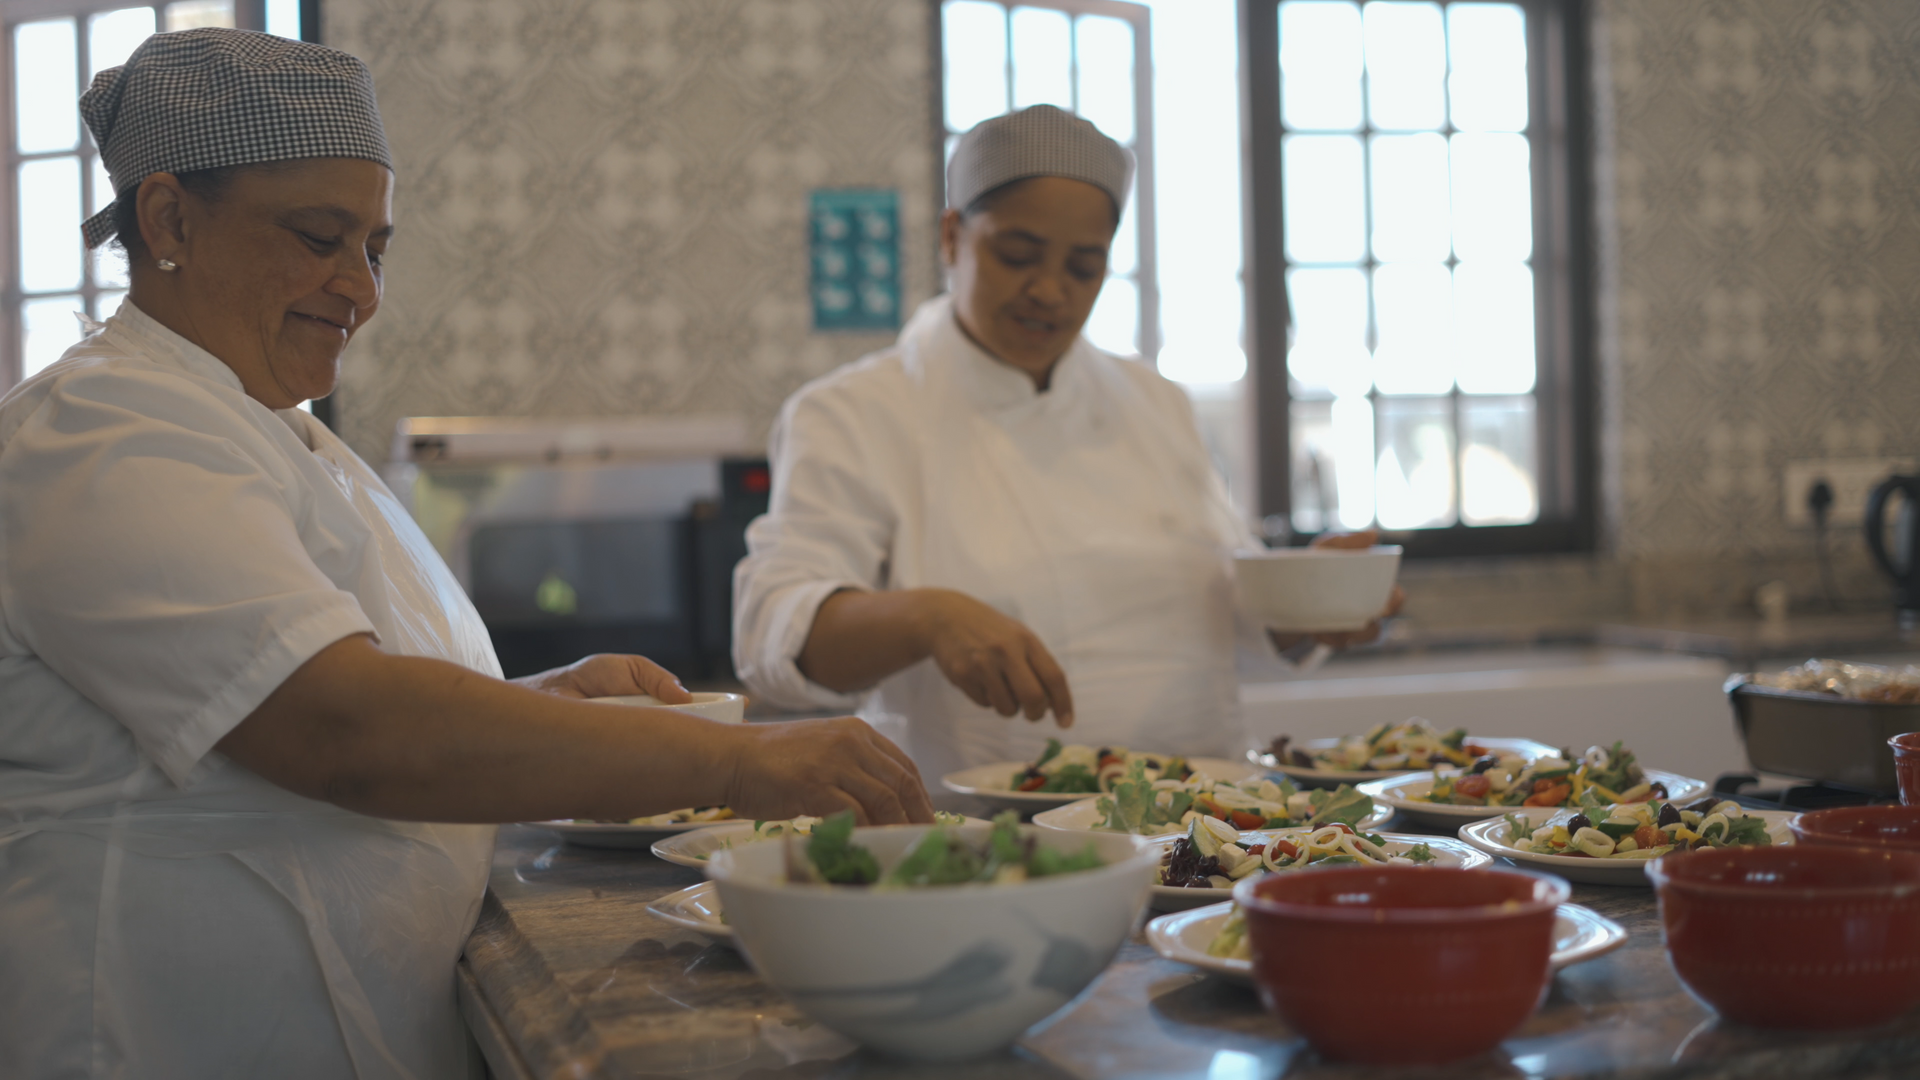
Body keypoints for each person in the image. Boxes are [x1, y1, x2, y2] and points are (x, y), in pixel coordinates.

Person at [0, 29, 930, 1080]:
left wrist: (544, 702)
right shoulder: (103, 432)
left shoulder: (274, 432)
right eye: (317, 237)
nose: (361, 289)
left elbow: (303, 692)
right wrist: (734, 760)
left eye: (376, 248)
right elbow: (341, 727)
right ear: (169, 218)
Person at [733, 105, 1398, 790]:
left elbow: (1217, 620)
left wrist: (1311, 604)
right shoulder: (854, 413)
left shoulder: (1153, 400)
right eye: (1017, 255)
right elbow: (773, 637)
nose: (1049, 291)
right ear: (953, 236)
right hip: (988, 843)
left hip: (1204, 828)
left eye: (1084, 268)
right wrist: (926, 616)